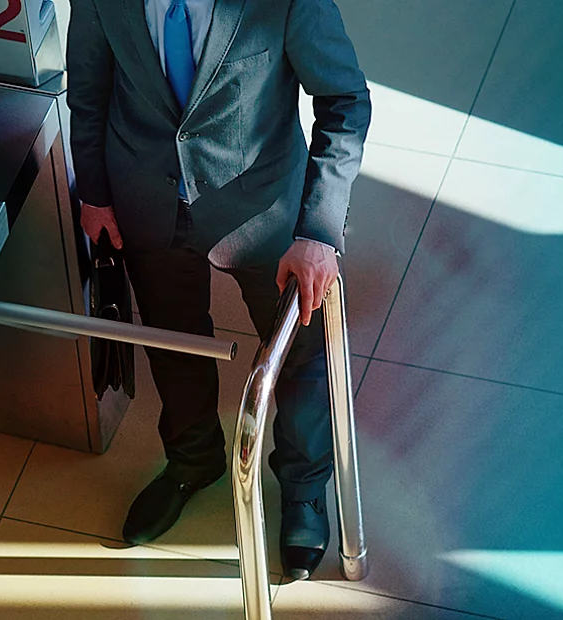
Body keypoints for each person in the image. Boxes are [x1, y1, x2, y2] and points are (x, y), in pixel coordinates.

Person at [67, 0, 370, 579]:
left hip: (264, 210)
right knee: (172, 340)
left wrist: (318, 230)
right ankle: (192, 461)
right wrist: (96, 195)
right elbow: (88, 91)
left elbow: (345, 100)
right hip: (147, 200)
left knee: (299, 353)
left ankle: (304, 487)